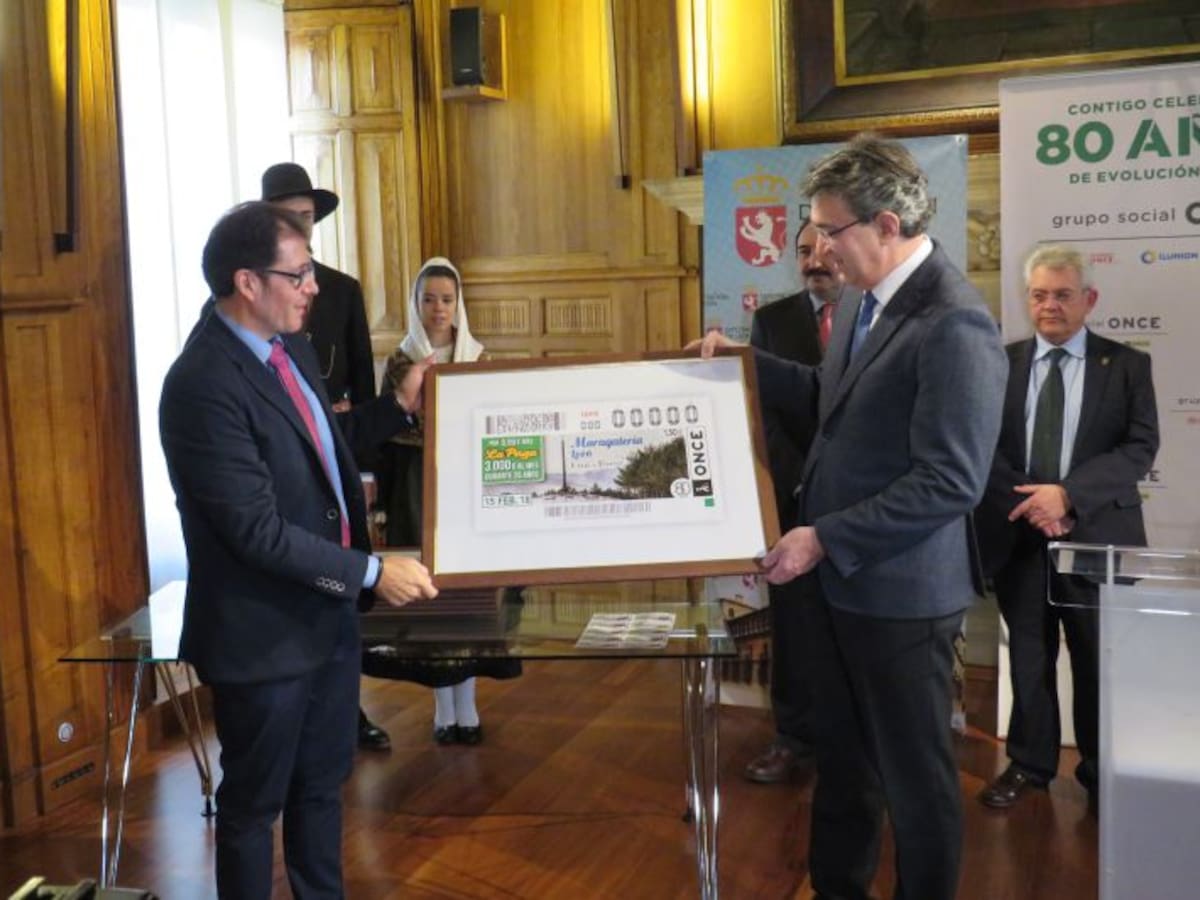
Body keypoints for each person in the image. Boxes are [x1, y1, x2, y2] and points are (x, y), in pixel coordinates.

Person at [698, 133, 1006, 900]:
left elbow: (950, 481)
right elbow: (828, 402)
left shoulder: (954, 322)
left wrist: (823, 537)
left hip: (900, 596)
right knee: (843, 763)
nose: (821, 250)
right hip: (839, 586)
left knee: (914, 780)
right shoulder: (865, 300)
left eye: (829, 230)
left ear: (886, 225)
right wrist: (742, 361)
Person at [159, 201, 438, 899]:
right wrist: (371, 572)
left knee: (321, 788)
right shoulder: (202, 383)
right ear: (247, 282)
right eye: (299, 274)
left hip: (326, 620)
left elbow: (326, 452)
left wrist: (398, 408)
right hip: (263, 635)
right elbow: (254, 531)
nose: (314, 286)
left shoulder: (293, 349)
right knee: (254, 808)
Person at [975, 245, 1159, 811]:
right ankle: (1029, 764)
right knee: (1028, 657)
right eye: (1039, 295)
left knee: (1095, 659)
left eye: (1062, 294)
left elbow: (1140, 446)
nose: (1049, 305)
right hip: (1020, 536)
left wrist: (1067, 496)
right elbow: (981, 446)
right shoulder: (999, 363)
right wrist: (1036, 503)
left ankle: (1102, 773)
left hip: (1095, 535)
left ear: (1089, 299)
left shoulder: (1126, 365)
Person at [260, 161, 392, 751]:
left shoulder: (339, 290)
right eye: (290, 216)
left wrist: (366, 466)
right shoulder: (246, 318)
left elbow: (361, 381)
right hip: (286, 483)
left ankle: (346, 708)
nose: (301, 226)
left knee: (339, 599)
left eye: (307, 217)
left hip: (339, 460)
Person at [375, 257, 520, 745]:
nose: (438, 308)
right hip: (416, 487)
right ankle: (443, 707)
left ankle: (468, 703)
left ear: (459, 305)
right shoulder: (400, 362)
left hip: (466, 486)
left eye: (446, 299)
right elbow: (387, 437)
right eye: (429, 299)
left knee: (467, 593)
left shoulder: (478, 359)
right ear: (416, 304)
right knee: (429, 594)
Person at [743, 218, 855, 785]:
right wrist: (790, 485)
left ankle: (852, 743)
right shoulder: (772, 320)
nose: (815, 261)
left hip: (858, 504)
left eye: (826, 251)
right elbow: (763, 411)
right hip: (792, 500)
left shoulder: (872, 316)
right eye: (805, 251)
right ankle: (792, 736)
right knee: (793, 627)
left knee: (855, 632)